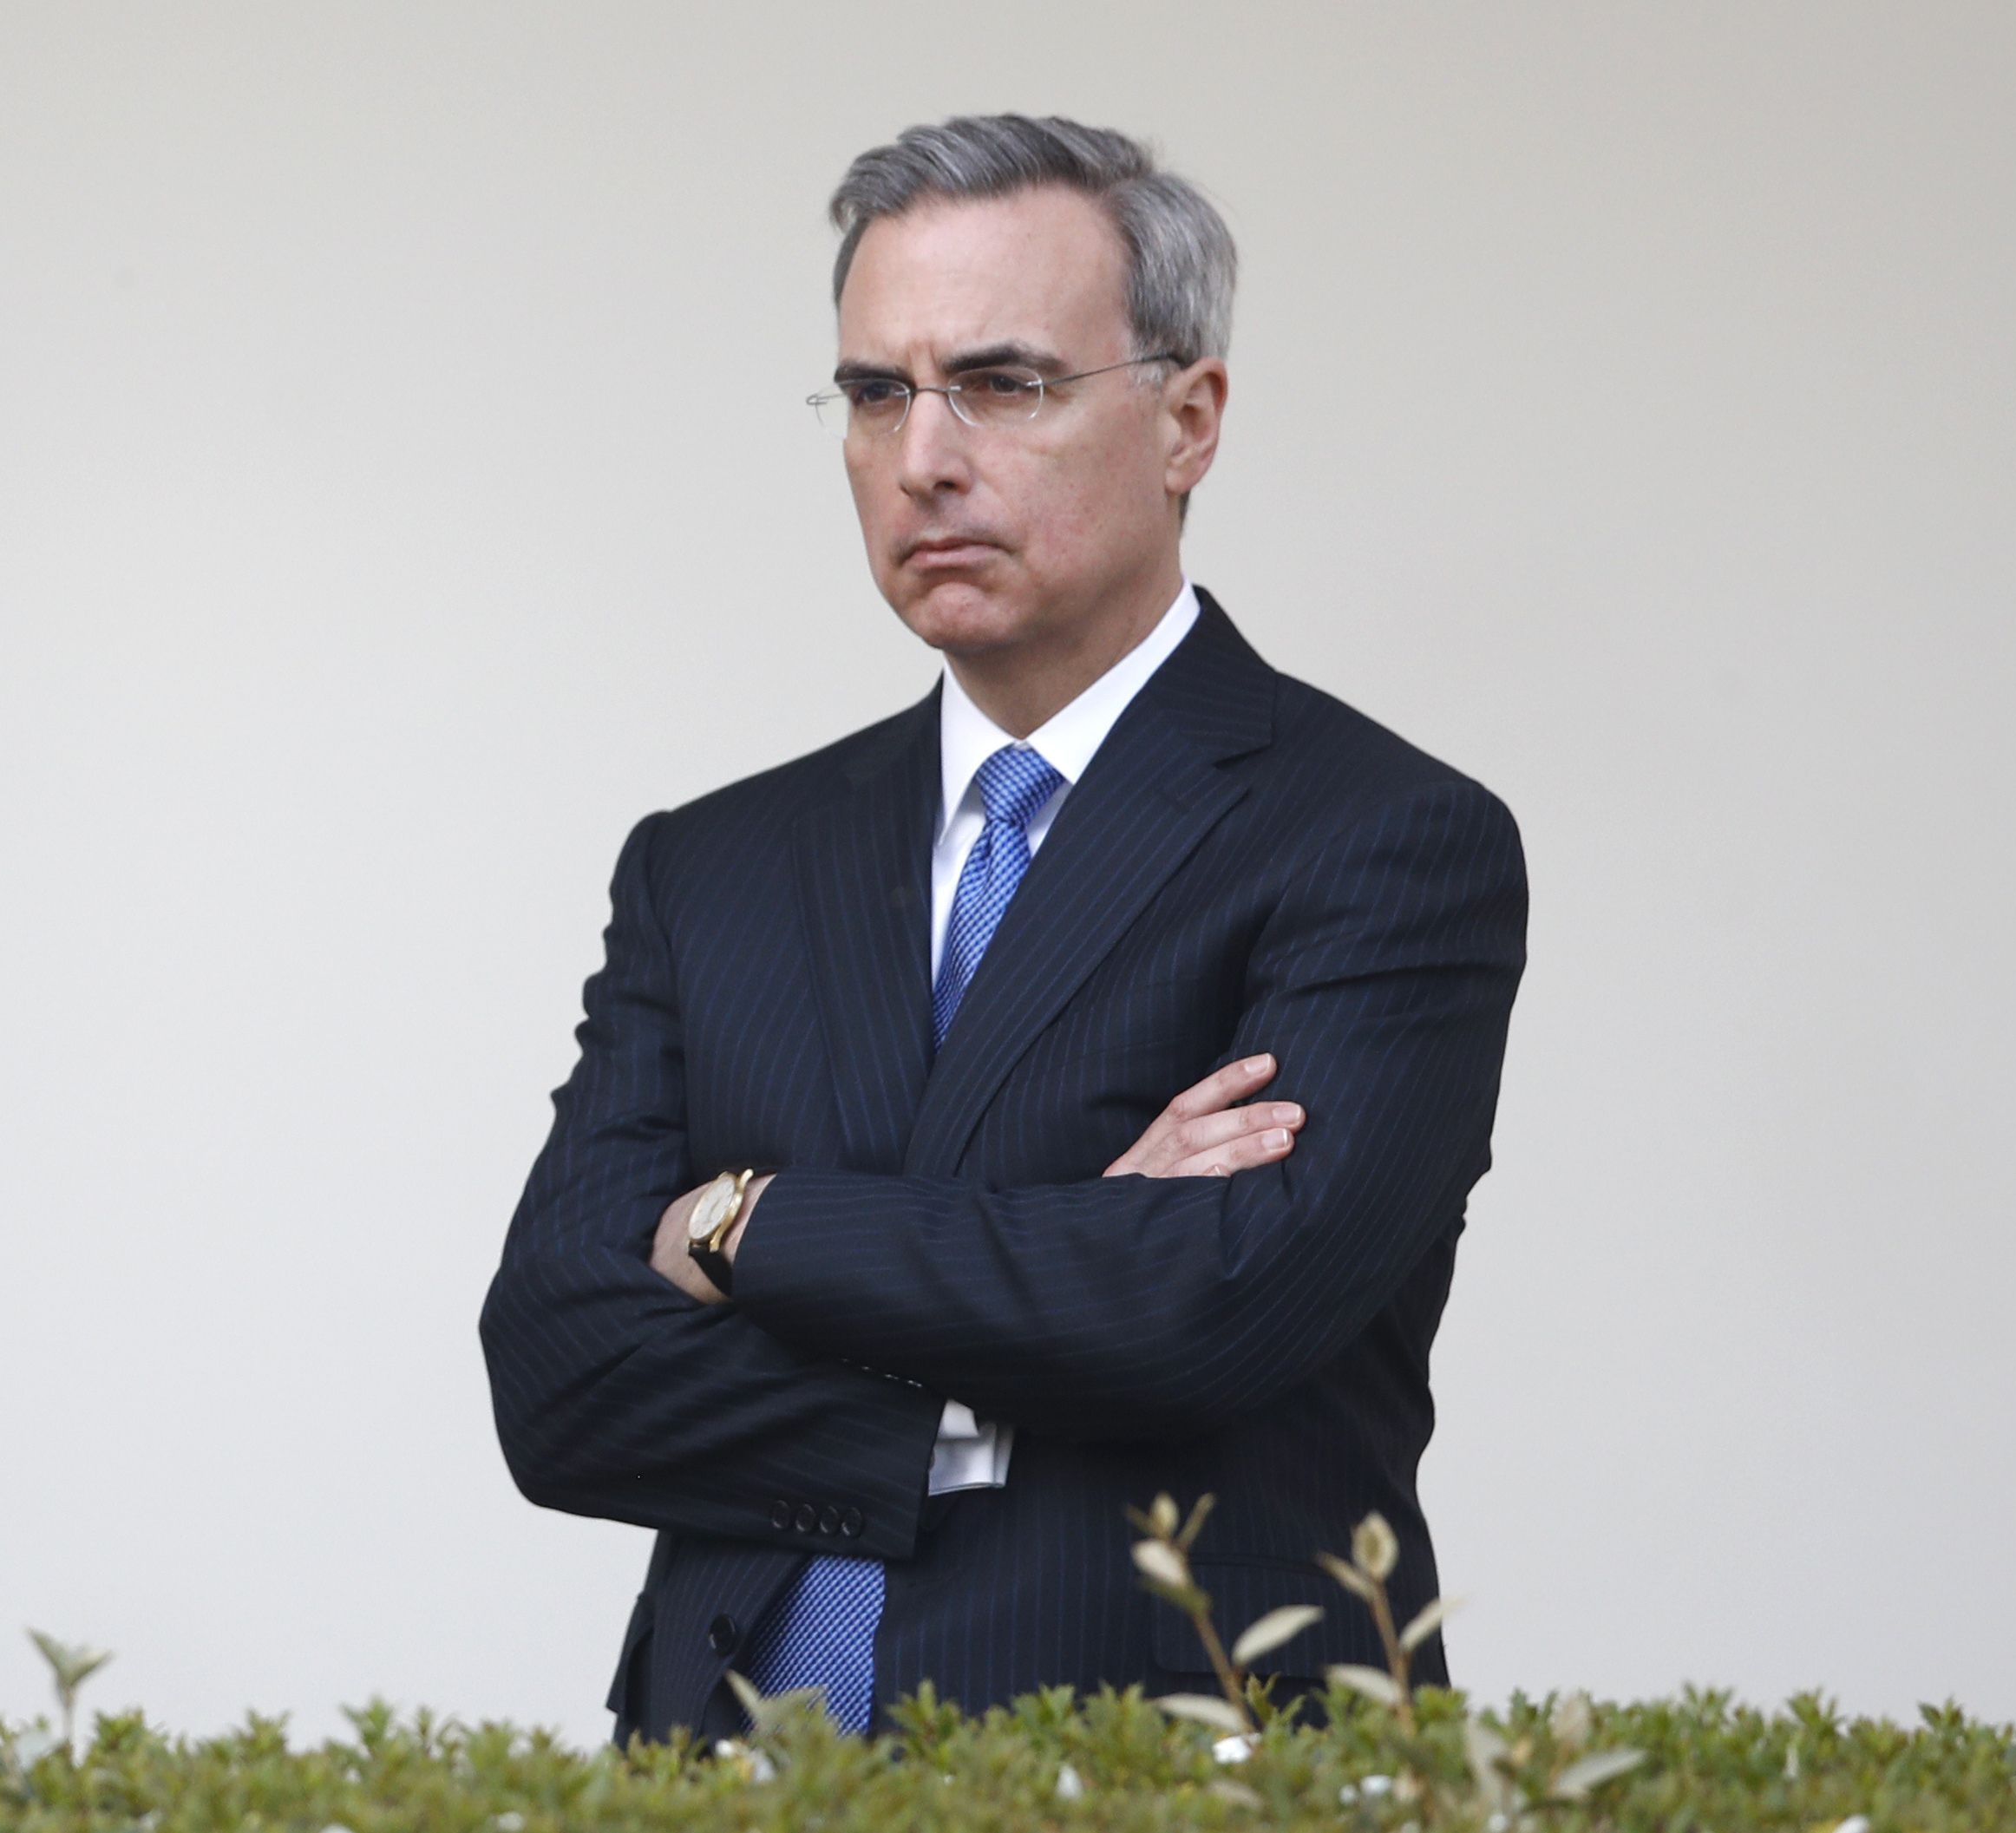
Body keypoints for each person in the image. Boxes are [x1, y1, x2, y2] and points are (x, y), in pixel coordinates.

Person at [479, 115, 1528, 1745]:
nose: (921, 458)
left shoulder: (1381, 838)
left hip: (1170, 1769)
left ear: (1188, 419)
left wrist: (743, 1223)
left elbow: (1213, 1309)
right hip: (719, 1772)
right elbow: (559, 1378)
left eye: (1004, 383)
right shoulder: (715, 863)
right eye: (876, 393)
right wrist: (1048, 1282)